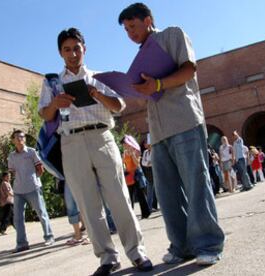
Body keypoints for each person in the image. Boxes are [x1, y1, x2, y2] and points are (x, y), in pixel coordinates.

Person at [38, 27, 153, 275]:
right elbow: (44, 115)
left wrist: (99, 95)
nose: (72, 54)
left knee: (119, 197)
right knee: (88, 205)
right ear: (60, 53)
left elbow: (119, 106)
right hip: (71, 142)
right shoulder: (51, 83)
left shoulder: (100, 77)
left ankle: (136, 252)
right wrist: (55, 104)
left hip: (101, 136)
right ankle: (107, 258)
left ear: (84, 49)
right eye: (67, 49)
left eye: (76, 48)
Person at [118, 3, 225, 266]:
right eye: (126, 30)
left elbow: (189, 69)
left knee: (195, 184)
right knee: (167, 193)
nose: (130, 33)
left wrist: (158, 84)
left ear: (148, 20)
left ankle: (208, 244)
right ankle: (182, 246)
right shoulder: (140, 57)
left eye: (133, 26)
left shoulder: (172, 35)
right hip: (158, 130)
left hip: (184, 120)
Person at [8, 129, 55, 253]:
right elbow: (12, 172)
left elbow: (40, 169)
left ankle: (49, 237)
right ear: (13, 140)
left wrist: (33, 179)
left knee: (41, 213)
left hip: (33, 188)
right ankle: (22, 244)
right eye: (17, 137)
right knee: (17, 218)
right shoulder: (11, 156)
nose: (20, 139)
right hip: (18, 190)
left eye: (22, 137)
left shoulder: (31, 152)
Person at [122, 137, 151, 219]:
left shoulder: (136, 151)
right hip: (128, 176)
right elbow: (124, 164)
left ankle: (146, 213)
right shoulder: (124, 152)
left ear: (129, 143)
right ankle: (130, 215)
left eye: (125, 144)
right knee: (129, 196)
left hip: (136, 175)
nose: (124, 146)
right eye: (123, 145)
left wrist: (133, 155)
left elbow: (137, 164)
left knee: (140, 195)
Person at [62, 180, 90, 246]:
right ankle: (78, 235)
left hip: (81, 173)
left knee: (84, 203)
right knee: (70, 205)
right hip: (67, 176)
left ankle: (91, 235)